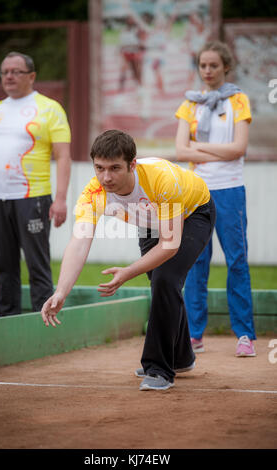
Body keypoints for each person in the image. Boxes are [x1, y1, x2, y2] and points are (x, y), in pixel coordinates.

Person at [41, 129, 216, 391]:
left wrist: (127, 272)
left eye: (114, 168)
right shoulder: (94, 193)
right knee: (162, 284)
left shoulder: (160, 179)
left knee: (165, 279)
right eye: (99, 168)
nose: (106, 177)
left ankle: (159, 369)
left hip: (194, 213)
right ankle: (181, 358)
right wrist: (61, 291)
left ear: (132, 164)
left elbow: (169, 245)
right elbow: (79, 243)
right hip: (149, 222)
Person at [175, 40, 256, 357]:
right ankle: (195, 335)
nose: (207, 71)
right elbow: (181, 152)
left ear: (226, 67)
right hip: (195, 192)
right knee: (195, 263)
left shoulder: (238, 101)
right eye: (203, 65)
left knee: (237, 260)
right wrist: (201, 152)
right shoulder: (189, 104)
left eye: (213, 65)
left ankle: (245, 335)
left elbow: (239, 149)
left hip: (230, 190)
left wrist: (198, 150)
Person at [0, 51, 71, 316]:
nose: (8, 76)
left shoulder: (50, 108)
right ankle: (8, 323)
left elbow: (63, 156)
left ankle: (42, 325)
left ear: (31, 76)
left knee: (37, 266)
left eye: (15, 71)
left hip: (34, 199)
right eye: (4, 71)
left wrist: (61, 199)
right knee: (3, 267)